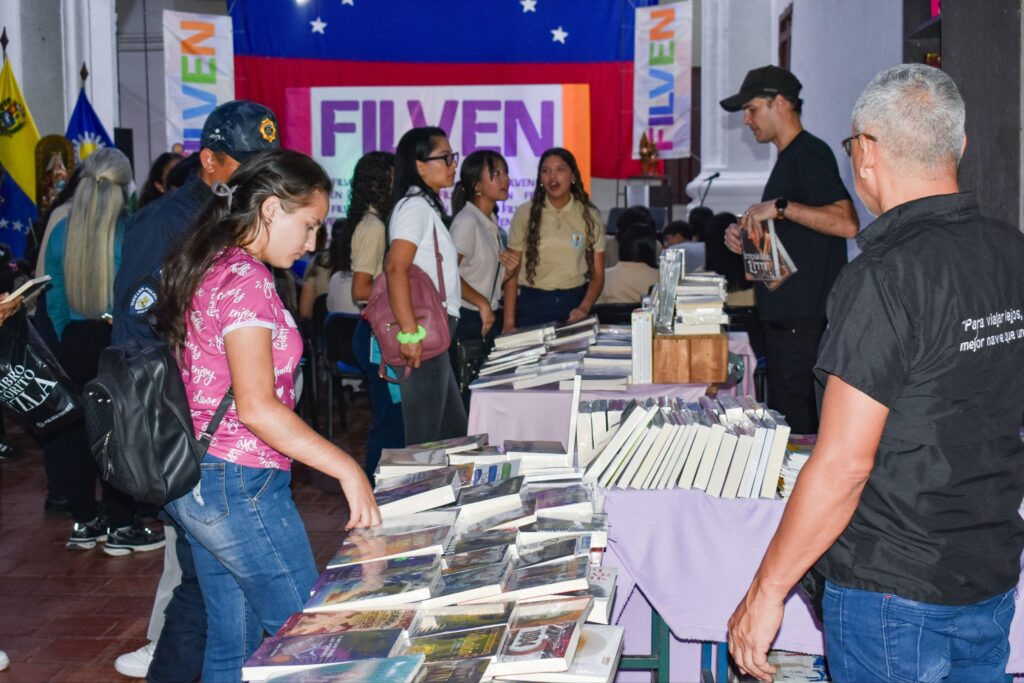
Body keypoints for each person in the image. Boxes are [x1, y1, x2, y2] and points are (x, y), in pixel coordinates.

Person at [727, 64, 1024, 683]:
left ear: (865, 154)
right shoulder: (1010, 250)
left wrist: (766, 591)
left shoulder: (882, 278)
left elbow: (844, 464)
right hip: (990, 564)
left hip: (894, 588)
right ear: (959, 146)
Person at [153, 149, 380, 681]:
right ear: (272, 209)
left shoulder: (217, 264)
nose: (313, 242)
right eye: (309, 225)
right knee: (305, 640)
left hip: (205, 476)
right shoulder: (247, 281)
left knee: (232, 645)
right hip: (238, 481)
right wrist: (346, 468)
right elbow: (257, 407)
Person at [112, 100, 280, 681]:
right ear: (208, 160)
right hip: (190, 434)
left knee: (208, 583)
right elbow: (136, 336)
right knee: (210, 583)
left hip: (229, 433)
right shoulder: (166, 222)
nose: (258, 177)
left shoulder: (231, 216)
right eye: (244, 164)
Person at [721, 65, 858, 434]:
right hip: (786, 320)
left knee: (799, 429)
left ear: (779, 102)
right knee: (789, 423)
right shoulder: (788, 159)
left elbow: (846, 222)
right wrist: (745, 239)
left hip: (804, 324)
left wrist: (781, 207)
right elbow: (794, 237)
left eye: (751, 109)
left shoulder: (810, 154)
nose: (747, 120)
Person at [44, 147, 166, 556]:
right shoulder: (128, 231)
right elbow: (138, 295)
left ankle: (84, 521)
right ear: (122, 188)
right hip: (114, 342)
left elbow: (53, 297)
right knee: (119, 434)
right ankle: (121, 526)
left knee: (79, 433)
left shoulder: (64, 232)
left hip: (74, 340)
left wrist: (66, 336)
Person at [385, 126, 467, 444]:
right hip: (422, 330)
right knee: (423, 442)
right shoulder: (414, 207)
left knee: (453, 435)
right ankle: (416, 494)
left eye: (452, 156)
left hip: (435, 329)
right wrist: (409, 333)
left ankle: (447, 494)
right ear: (420, 166)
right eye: (445, 157)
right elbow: (395, 267)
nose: (453, 164)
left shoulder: (424, 206)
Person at [339, 151, 403, 479]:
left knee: (392, 418)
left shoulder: (379, 223)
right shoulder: (373, 227)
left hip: (383, 331)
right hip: (377, 335)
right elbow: (360, 290)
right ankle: (374, 491)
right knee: (388, 421)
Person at [504, 148, 605, 329]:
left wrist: (584, 307)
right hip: (532, 305)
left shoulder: (589, 215)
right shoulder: (525, 213)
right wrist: (509, 323)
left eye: (560, 169)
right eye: (546, 171)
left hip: (573, 306)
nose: (553, 177)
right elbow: (512, 272)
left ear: (572, 175)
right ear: (540, 179)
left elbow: (598, 274)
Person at [450, 150, 519, 348]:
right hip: (468, 317)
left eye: (505, 172)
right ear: (477, 185)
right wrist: (481, 303)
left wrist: (508, 273)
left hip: (485, 315)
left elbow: (482, 278)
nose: (505, 179)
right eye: (496, 174)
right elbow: (448, 275)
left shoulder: (489, 220)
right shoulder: (467, 221)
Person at [597, 224, 659, 304]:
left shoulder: (603, 277)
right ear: (651, 250)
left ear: (622, 248)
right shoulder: (660, 277)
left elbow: (596, 308)